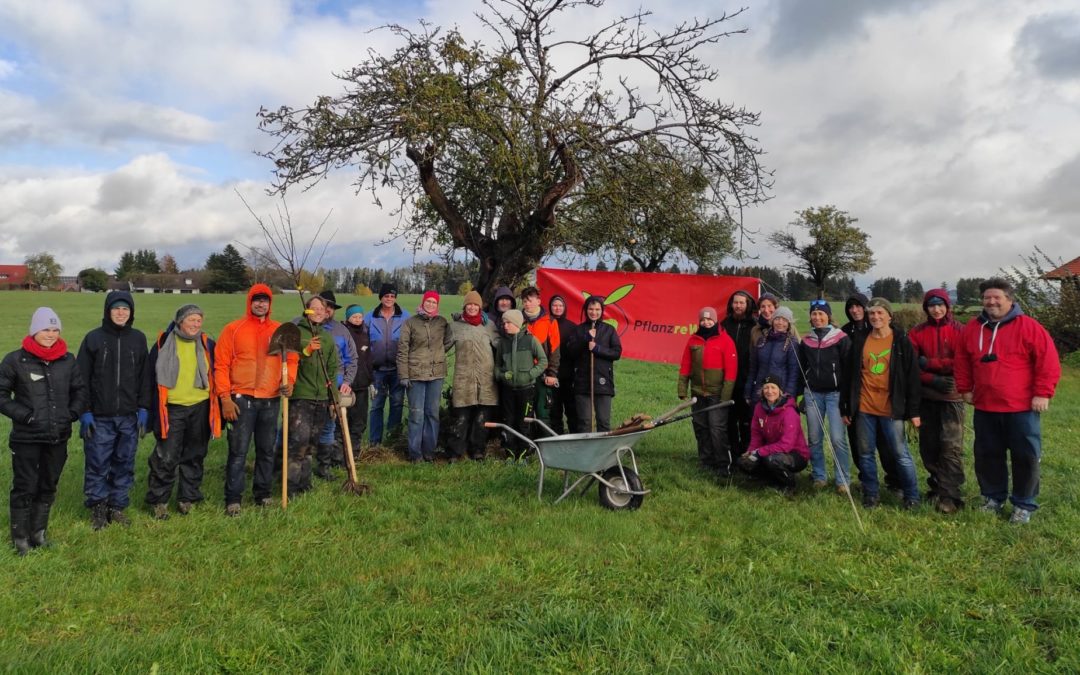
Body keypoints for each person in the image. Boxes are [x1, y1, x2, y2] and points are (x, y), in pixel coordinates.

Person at [954, 278, 1061, 524]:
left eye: (996, 297)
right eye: (986, 298)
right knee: (988, 455)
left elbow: (1047, 361)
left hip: (1021, 407)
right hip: (985, 406)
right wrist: (964, 388)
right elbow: (962, 360)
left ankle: (1024, 504)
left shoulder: (1029, 327)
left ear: (1009, 300)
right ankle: (993, 497)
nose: (991, 302)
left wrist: (1043, 392)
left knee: (1025, 457)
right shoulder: (972, 329)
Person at [1, 308, 87, 555]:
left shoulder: (67, 360)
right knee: (25, 486)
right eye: (45, 329)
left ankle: (38, 533)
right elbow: (1, 395)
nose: (50, 334)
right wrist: (25, 415)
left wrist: (71, 414)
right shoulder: (15, 360)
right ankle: (20, 539)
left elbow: (80, 391)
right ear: (34, 331)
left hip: (57, 436)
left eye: (54, 329)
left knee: (48, 484)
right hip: (27, 438)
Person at [215, 284, 298, 517]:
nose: (261, 304)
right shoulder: (233, 329)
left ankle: (262, 494)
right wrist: (225, 398)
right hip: (241, 400)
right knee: (238, 451)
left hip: (270, 400)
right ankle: (233, 499)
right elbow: (221, 365)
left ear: (270, 304)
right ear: (249, 302)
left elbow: (291, 360)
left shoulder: (280, 331)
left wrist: (289, 381)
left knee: (266, 450)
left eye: (265, 300)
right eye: (257, 300)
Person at [75, 291, 150, 529]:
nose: (121, 313)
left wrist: (144, 407)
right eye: (116, 308)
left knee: (124, 463)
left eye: (125, 309)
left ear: (131, 313)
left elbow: (144, 377)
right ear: (108, 311)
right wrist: (84, 411)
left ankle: (117, 506)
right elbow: (81, 379)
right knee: (98, 463)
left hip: (128, 416)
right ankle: (98, 507)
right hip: (100, 417)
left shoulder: (138, 339)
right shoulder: (93, 339)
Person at [841, 298, 922, 510]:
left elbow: (912, 377)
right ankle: (871, 494)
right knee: (865, 453)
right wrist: (846, 406)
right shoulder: (860, 339)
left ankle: (912, 496)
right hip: (865, 407)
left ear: (889, 316)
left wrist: (914, 411)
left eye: (880, 313)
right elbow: (849, 376)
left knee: (900, 453)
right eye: (872, 314)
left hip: (891, 409)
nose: (875, 317)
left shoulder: (901, 340)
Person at [145, 305, 221, 520]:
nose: (196, 324)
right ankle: (159, 501)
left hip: (201, 406)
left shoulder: (207, 344)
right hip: (172, 408)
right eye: (191, 320)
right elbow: (150, 378)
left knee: (195, 454)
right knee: (166, 457)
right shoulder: (163, 344)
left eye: (199, 320)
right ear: (180, 321)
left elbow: (218, 371)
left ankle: (187, 497)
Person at [908, 289, 967, 514]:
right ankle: (937, 486)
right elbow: (912, 366)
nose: (936, 309)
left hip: (952, 397)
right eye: (931, 305)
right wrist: (932, 378)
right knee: (929, 446)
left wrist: (930, 364)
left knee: (950, 446)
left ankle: (950, 495)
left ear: (947, 306)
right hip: (927, 396)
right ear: (926, 308)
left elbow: (961, 362)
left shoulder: (960, 330)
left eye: (940, 304)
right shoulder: (917, 332)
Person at [840, 291, 900, 495]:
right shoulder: (845, 332)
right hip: (855, 396)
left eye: (858, 306)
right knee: (859, 444)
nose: (855, 310)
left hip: (881, 398)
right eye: (851, 307)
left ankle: (894, 480)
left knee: (886, 443)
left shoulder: (880, 330)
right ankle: (866, 479)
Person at [285, 296, 340, 497]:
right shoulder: (297, 333)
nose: (319, 311)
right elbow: (287, 358)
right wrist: (306, 351)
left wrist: (333, 398)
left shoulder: (326, 337)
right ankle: (290, 486)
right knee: (298, 443)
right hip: (301, 396)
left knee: (311, 444)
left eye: (322, 309)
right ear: (306, 310)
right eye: (314, 308)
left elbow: (333, 369)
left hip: (322, 397)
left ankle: (304, 484)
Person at [797, 300, 852, 493]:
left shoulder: (841, 338)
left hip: (835, 395)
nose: (817, 317)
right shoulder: (806, 341)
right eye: (814, 314)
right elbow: (802, 369)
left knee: (837, 438)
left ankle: (843, 479)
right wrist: (801, 394)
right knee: (814, 438)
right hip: (813, 394)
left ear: (828, 316)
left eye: (821, 314)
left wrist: (847, 398)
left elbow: (848, 370)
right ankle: (819, 475)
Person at [677, 307, 738, 475]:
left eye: (709, 320)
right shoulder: (693, 340)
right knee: (700, 427)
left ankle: (722, 464)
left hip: (717, 394)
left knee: (716, 428)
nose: (706, 322)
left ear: (715, 320)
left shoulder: (726, 341)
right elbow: (686, 365)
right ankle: (706, 461)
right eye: (703, 320)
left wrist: (725, 396)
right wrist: (682, 388)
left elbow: (731, 371)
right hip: (698, 392)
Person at [397, 290, 453, 463]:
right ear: (422, 302)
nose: (430, 305)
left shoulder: (442, 322)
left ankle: (430, 451)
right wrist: (403, 374)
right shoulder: (410, 323)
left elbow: (449, 341)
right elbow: (402, 349)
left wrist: (438, 356)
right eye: (427, 301)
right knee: (416, 414)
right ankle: (415, 454)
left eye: (434, 302)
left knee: (432, 413)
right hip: (415, 375)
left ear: (437, 305)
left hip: (436, 375)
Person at [736, 374, 809, 493]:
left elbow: (787, 445)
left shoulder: (789, 412)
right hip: (771, 450)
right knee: (743, 462)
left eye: (773, 387)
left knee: (772, 460)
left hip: (795, 453)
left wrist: (759, 452)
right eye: (766, 387)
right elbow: (756, 436)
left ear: (780, 390)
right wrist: (751, 452)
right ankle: (768, 480)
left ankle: (789, 484)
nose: (769, 391)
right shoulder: (759, 408)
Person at [447, 291, 499, 461]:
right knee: (460, 418)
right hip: (464, 379)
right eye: (469, 304)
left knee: (481, 419)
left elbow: (501, 345)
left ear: (480, 306)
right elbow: (441, 348)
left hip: (486, 379)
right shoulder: (454, 327)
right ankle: (456, 452)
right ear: (464, 306)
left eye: (475, 304)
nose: (472, 307)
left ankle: (477, 450)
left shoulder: (489, 325)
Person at [310, 290, 357, 477]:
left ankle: (324, 466)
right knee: (302, 426)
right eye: (322, 306)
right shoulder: (301, 325)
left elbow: (352, 359)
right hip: (308, 386)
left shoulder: (341, 331)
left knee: (329, 426)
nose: (326, 310)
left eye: (329, 307)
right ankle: (286, 463)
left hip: (333, 387)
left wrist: (346, 381)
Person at [563, 295, 622, 433]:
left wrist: (597, 349)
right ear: (585, 310)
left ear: (602, 311)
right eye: (591, 309)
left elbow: (616, 353)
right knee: (585, 422)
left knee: (603, 421)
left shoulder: (609, 330)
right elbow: (570, 351)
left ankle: (603, 452)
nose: (594, 312)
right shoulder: (578, 330)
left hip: (603, 381)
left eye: (597, 309)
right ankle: (585, 452)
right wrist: (585, 339)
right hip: (582, 382)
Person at [495, 309, 547, 461]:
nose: (505, 326)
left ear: (516, 323)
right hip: (508, 390)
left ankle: (524, 452)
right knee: (508, 420)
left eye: (508, 323)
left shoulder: (531, 340)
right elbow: (497, 366)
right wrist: (501, 375)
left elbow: (543, 361)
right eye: (504, 323)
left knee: (524, 421)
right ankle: (510, 453)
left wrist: (530, 375)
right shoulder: (503, 343)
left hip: (526, 390)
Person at [368, 282, 410, 446]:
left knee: (397, 405)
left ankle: (393, 441)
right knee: (376, 406)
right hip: (377, 370)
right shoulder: (370, 316)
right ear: (381, 297)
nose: (389, 299)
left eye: (392, 296)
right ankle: (375, 443)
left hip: (397, 370)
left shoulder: (405, 316)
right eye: (386, 296)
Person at [721, 290, 758, 455]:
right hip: (727, 381)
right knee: (729, 420)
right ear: (731, 304)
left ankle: (746, 452)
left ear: (747, 305)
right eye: (735, 302)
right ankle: (733, 453)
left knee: (746, 420)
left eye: (741, 303)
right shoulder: (724, 325)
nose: (738, 306)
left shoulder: (754, 326)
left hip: (747, 380)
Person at [519, 286, 561, 431]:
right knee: (524, 410)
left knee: (543, 410)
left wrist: (552, 373)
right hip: (522, 372)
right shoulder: (518, 320)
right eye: (524, 301)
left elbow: (555, 350)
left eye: (530, 300)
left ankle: (544, 442)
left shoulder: (550, 321)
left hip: (542, 373)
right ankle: (527, 444)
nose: (527, 304)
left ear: (538, 301)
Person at [744, 306, 799, 408]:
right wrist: (748, 390)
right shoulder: (762, 341)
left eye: (784, 320)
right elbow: (753, 368)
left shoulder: (792, 343)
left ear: (789, 324)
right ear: (772, 321)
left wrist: (789, 395)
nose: (780, 323)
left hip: (780, 392)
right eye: (777, 319)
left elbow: (794, 373)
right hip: (760, 389)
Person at [343, 304, 373, 460]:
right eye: (354, 317)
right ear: (348, 317)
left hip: (362, 383)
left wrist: (371, 379)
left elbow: (369, 358)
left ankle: (354, 452)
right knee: (344, 419)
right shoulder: (344, 332)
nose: (357, 319)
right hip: (346, 384)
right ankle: (342, 452)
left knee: (359, 420)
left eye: (360, 317)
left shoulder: (366, 332)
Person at [547, 294, 578, 435]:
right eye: (554, 305)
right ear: (550, 307)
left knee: (571, 409)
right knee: (554, 409)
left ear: (564, 307)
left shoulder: (572, 327)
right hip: (551, 374)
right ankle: (556, 436)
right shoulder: (545, 324)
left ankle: (574, 435)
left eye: (560, 305)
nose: (557, 308)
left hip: (569, 375)